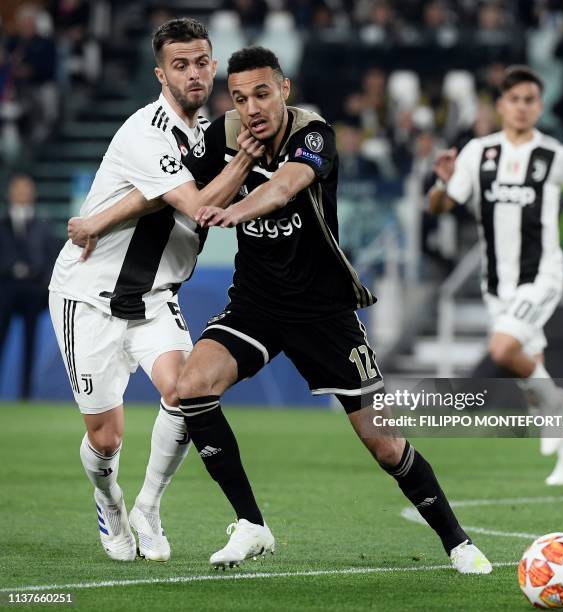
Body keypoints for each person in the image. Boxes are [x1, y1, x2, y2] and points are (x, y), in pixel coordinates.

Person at [180, 47, 491, 572]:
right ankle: (252, 525)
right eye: (239, 98)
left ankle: (458, 542)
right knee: (191, 386)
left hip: (324, 311)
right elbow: (180, 191)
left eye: (261, 93)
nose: (251, 107)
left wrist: (233, 209)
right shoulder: (224, 135)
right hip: (256, 302)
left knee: (386, 445)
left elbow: (284, 188)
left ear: (285, 88)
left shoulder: (314, 133)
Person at [49, 17, 263, 563]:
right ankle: (110, 502)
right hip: (89, 297)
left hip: (154, 298)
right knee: (106, 439)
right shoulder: (146, 132)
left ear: (213, 65)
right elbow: (195, 206)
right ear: (160, 73)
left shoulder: (206, 133)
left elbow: (155, 199)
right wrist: (246, 156)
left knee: (187, 392)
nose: (193, 74)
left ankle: (147, 505)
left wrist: (98, 219)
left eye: (201, 62)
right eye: (180, 64)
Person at [428, 65, 563, 486]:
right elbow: (441, 206)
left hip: (541, 274)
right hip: (497, 283)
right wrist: (440, 183)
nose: (522, 108)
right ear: (501, 105)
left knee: (504, 350)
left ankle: (559, 402)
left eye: (530, 100)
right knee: (530, 375)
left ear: (539, 106)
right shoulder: (478, 152)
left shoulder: (557, 156)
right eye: (514, 100)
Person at [0, 174, 57, 399]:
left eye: (26, 188)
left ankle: (26, 394)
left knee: (30, 343)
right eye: (18, 188)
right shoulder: (2, 223)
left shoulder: (44, 225)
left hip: (34, 291)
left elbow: (51, 255)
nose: (22, 193)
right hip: (5, 288)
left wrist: (44, 283)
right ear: (9, 193)